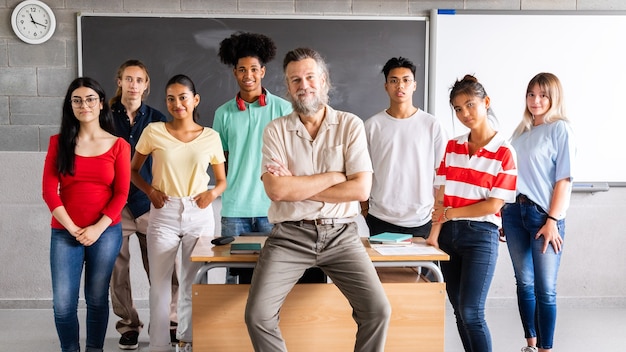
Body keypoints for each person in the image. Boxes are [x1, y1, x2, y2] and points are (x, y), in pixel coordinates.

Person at [244, 47, 391, 352]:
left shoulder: (350, 125)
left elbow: (361, 190)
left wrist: (297, 184)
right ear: (288, 87)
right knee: (257, 315)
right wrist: (336, 176)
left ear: (324, 81)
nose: (304, 85)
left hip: (342, 235)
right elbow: (277, 192)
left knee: (378, 311)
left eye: (310, 77)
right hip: (289, 237)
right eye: (295, 80)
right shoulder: (275, 130)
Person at [130, 74, 227, 352]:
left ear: (195, 100)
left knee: (192, 282)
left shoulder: (210, 136)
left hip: (199, 212)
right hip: (164, 212)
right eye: (170, 99)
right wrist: (150, 191)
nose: (177, 104)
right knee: (159, 284)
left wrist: (212, 193)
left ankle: (189, 341)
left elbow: (221, 180)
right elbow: (133, 170)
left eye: (183, 97)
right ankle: (159, 345)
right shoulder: (154, 131)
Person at [426, 75, 517, 352]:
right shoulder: (452, 146)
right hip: (448, 237)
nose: (464, 113)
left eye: (470, 105)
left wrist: (451, 214)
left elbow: (493, 205)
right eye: (457, 109)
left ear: (486, 103)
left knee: (472, 312)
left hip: (481, 236)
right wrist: (434, 235)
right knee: (458, 310)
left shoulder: (504, 152)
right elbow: (440, 193)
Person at [42, 77, 130, 352]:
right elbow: (49, 191)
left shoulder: (119, 145)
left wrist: (96, 229)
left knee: (96, 299)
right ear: (70, 106)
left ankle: (95, 349)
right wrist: (71, 227)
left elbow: (121, 194)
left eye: (90, 99)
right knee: (63, 304)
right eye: (77, 100)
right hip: (65, 232)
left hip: (104, 232)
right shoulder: (59, 143)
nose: (84, 105)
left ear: (101, 103)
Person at [108, 59, 180, 350]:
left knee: (165, 267)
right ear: (120, 81)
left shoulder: (158, 118)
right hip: (114, 204)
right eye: (128, 79)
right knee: (117, 268)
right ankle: (128, 326)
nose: (133, 84)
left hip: (149, 201)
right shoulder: (104, 115)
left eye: (139, 80)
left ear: (146, 85)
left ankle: (169, 322)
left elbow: (170, 160)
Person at [501, 73, 575, 352]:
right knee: (524, 283)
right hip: (513, 213)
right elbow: (509, 177)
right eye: (531, 94)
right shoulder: (520, 132)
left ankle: (546, 348)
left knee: (546, 288)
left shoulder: (560, 129)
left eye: (543, 95)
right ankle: (530, 344)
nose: (536, 100)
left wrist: (553, 220)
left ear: (553, 97)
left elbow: (564, 179)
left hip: (543, 216)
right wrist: (502, 215)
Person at [214, 32, 292, 283]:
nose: (248, 75)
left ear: (263, 72)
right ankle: (236, 324)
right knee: (235, 278)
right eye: (242, 70)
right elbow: (220, 159)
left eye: (254, 69)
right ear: (235, 73)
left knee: (274, 278)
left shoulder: (283, 108)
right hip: (234, 208)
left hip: (273, 207)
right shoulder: (223, 113)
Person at [361, 56, 447, 239]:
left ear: (414, 85)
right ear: (386, 86)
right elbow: (361, 171)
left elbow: (443, 173)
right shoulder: (372, 125)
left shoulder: (431, 125)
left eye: (406, 80)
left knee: (424, 269)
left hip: (422, 219)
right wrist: (365, 209)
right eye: (393, 81)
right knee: (381, 269)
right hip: (380, 217)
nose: (400, 86)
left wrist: (438, 213)